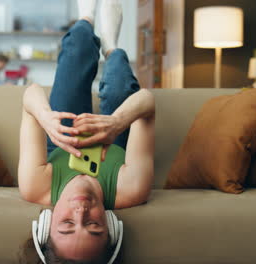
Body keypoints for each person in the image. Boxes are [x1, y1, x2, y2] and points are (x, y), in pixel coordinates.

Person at [18, 0, 155, 263]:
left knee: (79, 45)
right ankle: (111, 43)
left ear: (46, 225)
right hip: (116, 142)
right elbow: (147, 102)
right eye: (94, 227)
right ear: (112, 229)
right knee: (119, 90)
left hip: (60, 139)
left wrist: (44, 117)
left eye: (67, 224)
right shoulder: (131, 189)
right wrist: (116, 122)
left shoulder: (36, 187)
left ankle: (86, 17)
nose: (81, 211)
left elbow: (31, 93)